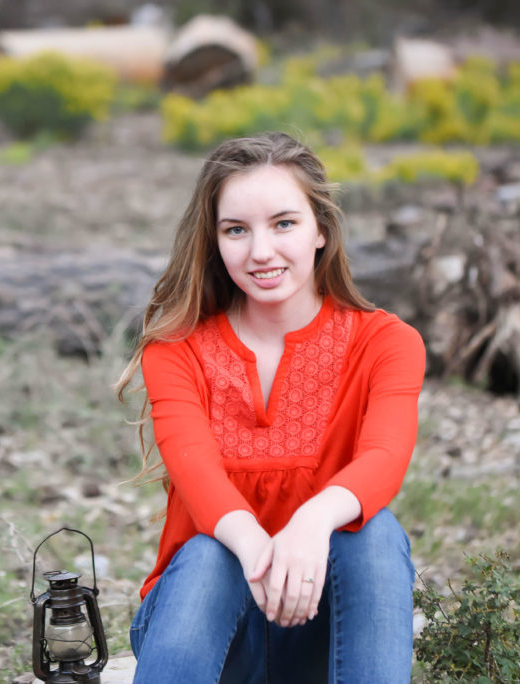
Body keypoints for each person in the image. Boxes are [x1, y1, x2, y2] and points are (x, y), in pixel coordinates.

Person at [115, 132, 425, 683]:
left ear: (321, 229)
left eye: (284, 223)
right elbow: (196, 472)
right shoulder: (177, 350)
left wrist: (312, 520)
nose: (261, 251)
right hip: (209, 627)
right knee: (212, 553)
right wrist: (258, 546)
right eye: (236, 229)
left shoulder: (386, 344)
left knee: (372, 533)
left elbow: (385, 457)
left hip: (323, 635)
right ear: (214, 241)